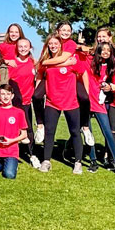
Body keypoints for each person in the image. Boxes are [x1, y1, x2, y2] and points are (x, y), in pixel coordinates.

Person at [38, 35, 82, 174]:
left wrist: (85, 95)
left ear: (60, 44)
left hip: (71, 101)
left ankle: (78, 162)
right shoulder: (45, 62)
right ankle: (46, 161)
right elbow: (40, 71)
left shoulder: (72, 59)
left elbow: (82, 73)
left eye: (55, 43)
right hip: (52, 102)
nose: (53, 45)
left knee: (75, 132)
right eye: (50, 43)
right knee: (50, 132)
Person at [81, 42, 115, 175]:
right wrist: (82, 44)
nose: (105, 52)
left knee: (107, 132)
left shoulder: (112, 64)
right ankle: (93, 160)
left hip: (99, 103)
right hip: (87, 101)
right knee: (88, 133)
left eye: (108, 50)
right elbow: (81, 51)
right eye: (103, 49)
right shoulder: (90, 61)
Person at [0, 84, 27, 179]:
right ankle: (2, 164)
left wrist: (11, 141)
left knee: (9, 175)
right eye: (3, 94)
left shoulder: (19, 112)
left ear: (12, 96)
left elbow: (24, 134)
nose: (5, 96)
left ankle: (11, 164)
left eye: (8, 94)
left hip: (11, 150)